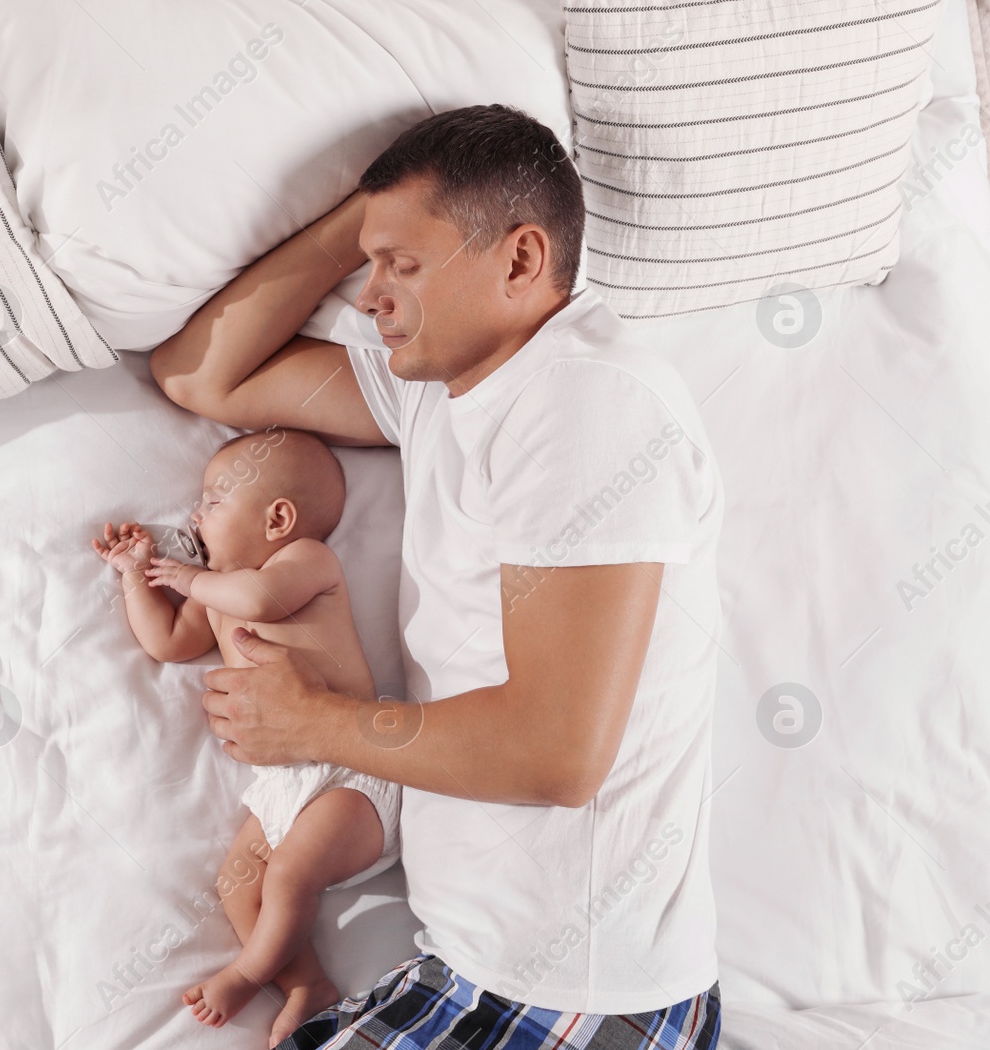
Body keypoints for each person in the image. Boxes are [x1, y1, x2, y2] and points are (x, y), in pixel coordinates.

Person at [149, 105, 725, 1049]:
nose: (370, 294)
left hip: (573, 990)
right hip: (479, 967)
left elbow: (557, 754)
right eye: (371, 267)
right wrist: (367, 220)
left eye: (402, 267)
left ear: (520, 259)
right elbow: (197, 375)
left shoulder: (587, 403)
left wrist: (311, 723)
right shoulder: (436, 394)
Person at [92, 429, 400, 1048]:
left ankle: (246, 973)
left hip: (353, 768)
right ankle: (306, 982)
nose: (194, 515)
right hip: (285, 786)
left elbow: (260, 598)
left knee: (287, 876)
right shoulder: (213, 593)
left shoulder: (305, 563)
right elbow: (166, 644)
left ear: (278, 518)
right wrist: (135, 577)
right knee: (237, 879)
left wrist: (185, 576)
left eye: (212, 501)